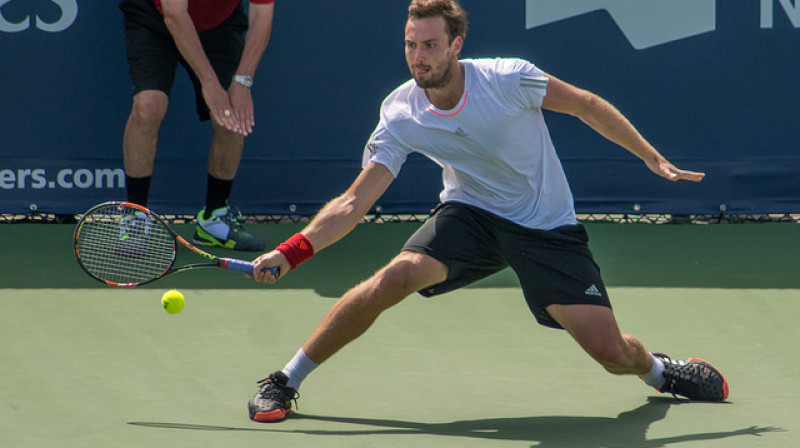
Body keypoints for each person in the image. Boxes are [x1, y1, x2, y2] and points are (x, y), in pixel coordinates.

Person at [247, 0, 729, 423]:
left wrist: (647, 154)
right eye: (411, 45)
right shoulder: (400, 112)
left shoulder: (508, 78)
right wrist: (292, 252)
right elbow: (354, 202)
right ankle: (285, 380)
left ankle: (662, 372)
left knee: (611, 353)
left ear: (457, 44)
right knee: (394, 278)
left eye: (431, 45)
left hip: (545, 227)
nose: (419, 57)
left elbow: (585, 104)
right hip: (471, 214)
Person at [119, 0, 274, 251]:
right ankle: (135, 217)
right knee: (149, 106)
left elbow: (262, 16)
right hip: (154, 17)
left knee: (231, 114)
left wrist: (243, 82)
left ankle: (214, 219)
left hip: (220, 24)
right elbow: (174, 14)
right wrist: (210, 84)